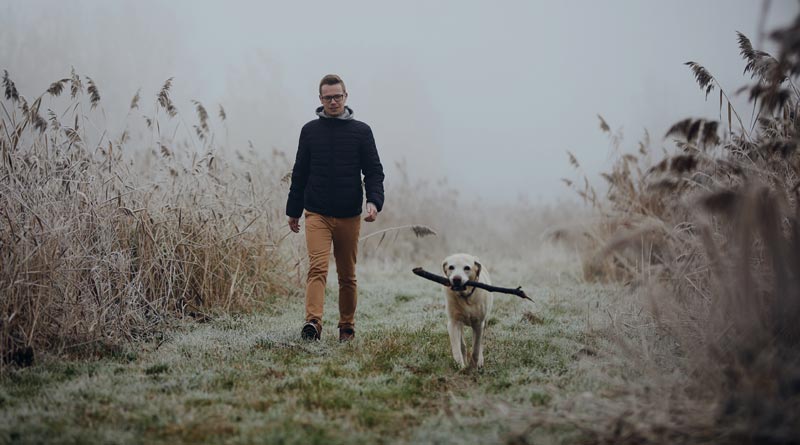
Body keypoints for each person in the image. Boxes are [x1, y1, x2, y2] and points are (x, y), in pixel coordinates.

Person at [286, 74, 385, 342]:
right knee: (317, 268)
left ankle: (346, 327)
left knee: (347, 275)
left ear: (346, 97)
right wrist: (293, 210)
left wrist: (374, 201)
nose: (333, 101)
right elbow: (300, 173)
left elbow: (374, 172)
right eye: (328, 97)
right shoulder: (310, 131)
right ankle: (313, 324)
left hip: (349, 215)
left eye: (337, 97)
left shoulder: (361, 132)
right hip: (316, 212)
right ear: (320, 99)